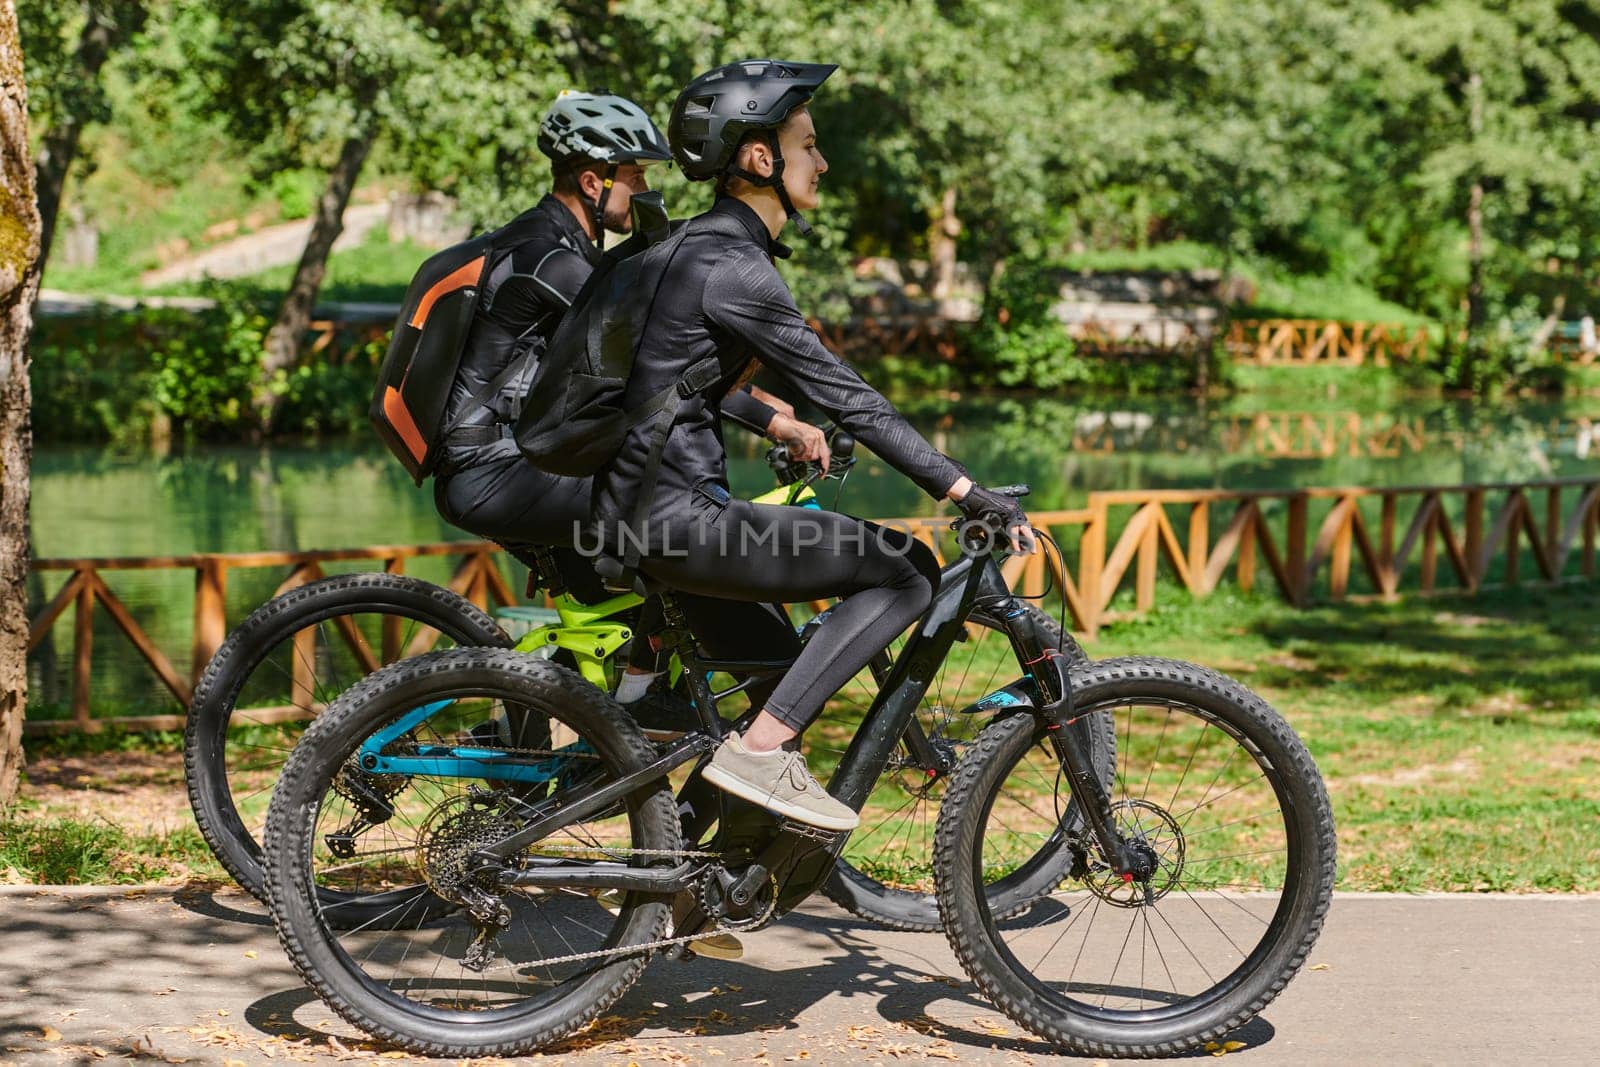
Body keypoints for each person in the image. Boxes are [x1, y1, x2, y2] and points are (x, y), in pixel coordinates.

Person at [586, 59, 1036, 832]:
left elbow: (672, 384)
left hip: (639, 518)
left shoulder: (686, 250)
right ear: (761, 159)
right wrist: (962, 489)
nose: (821, 163)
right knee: (907, 571)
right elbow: (846, 395)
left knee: (776, 681)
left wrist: (775, 423)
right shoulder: (734, 267)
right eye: (809, 145)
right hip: (679, 519)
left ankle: (687, 875)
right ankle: (762, 753)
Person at [431, 90, 821, 740]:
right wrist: (776, 420)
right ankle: (644, 696)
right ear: (593, 180)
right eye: (635, 174)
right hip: (501, 468)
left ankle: (552, 717)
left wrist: (768, 416)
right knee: (672, 519)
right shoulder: (559, 263)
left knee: (652, 534)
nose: (643, 189)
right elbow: (657, 360)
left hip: (509, 465)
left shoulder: (546, 243)